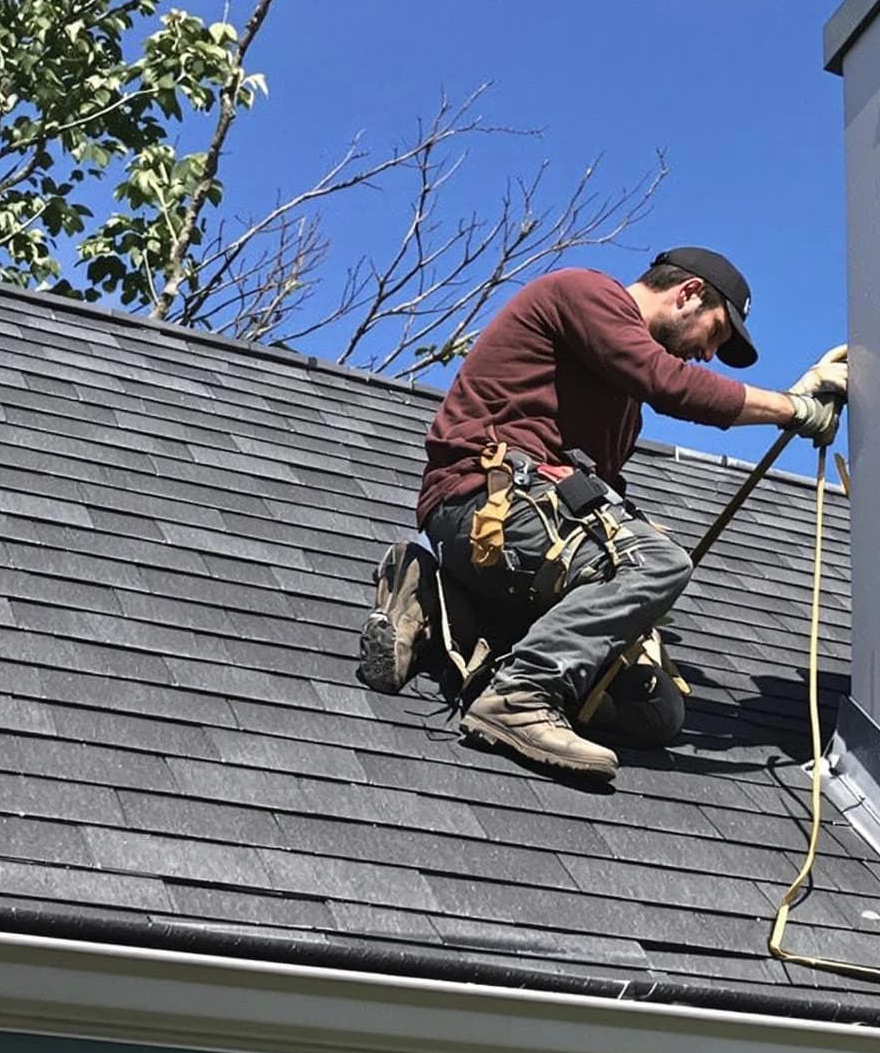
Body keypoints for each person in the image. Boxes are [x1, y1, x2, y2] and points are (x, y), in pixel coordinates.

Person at [358, 246, 846, 781]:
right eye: (715, 335)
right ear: (688, 294)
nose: (708, 353)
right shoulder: (583, 293)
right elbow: (671, 385)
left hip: (525, 537)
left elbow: (600, 484)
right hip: (479, 505)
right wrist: (793, 407)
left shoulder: (619, 405)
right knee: (659, 563)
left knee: (658, 714)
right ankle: (519, 696)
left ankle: (442, 600)